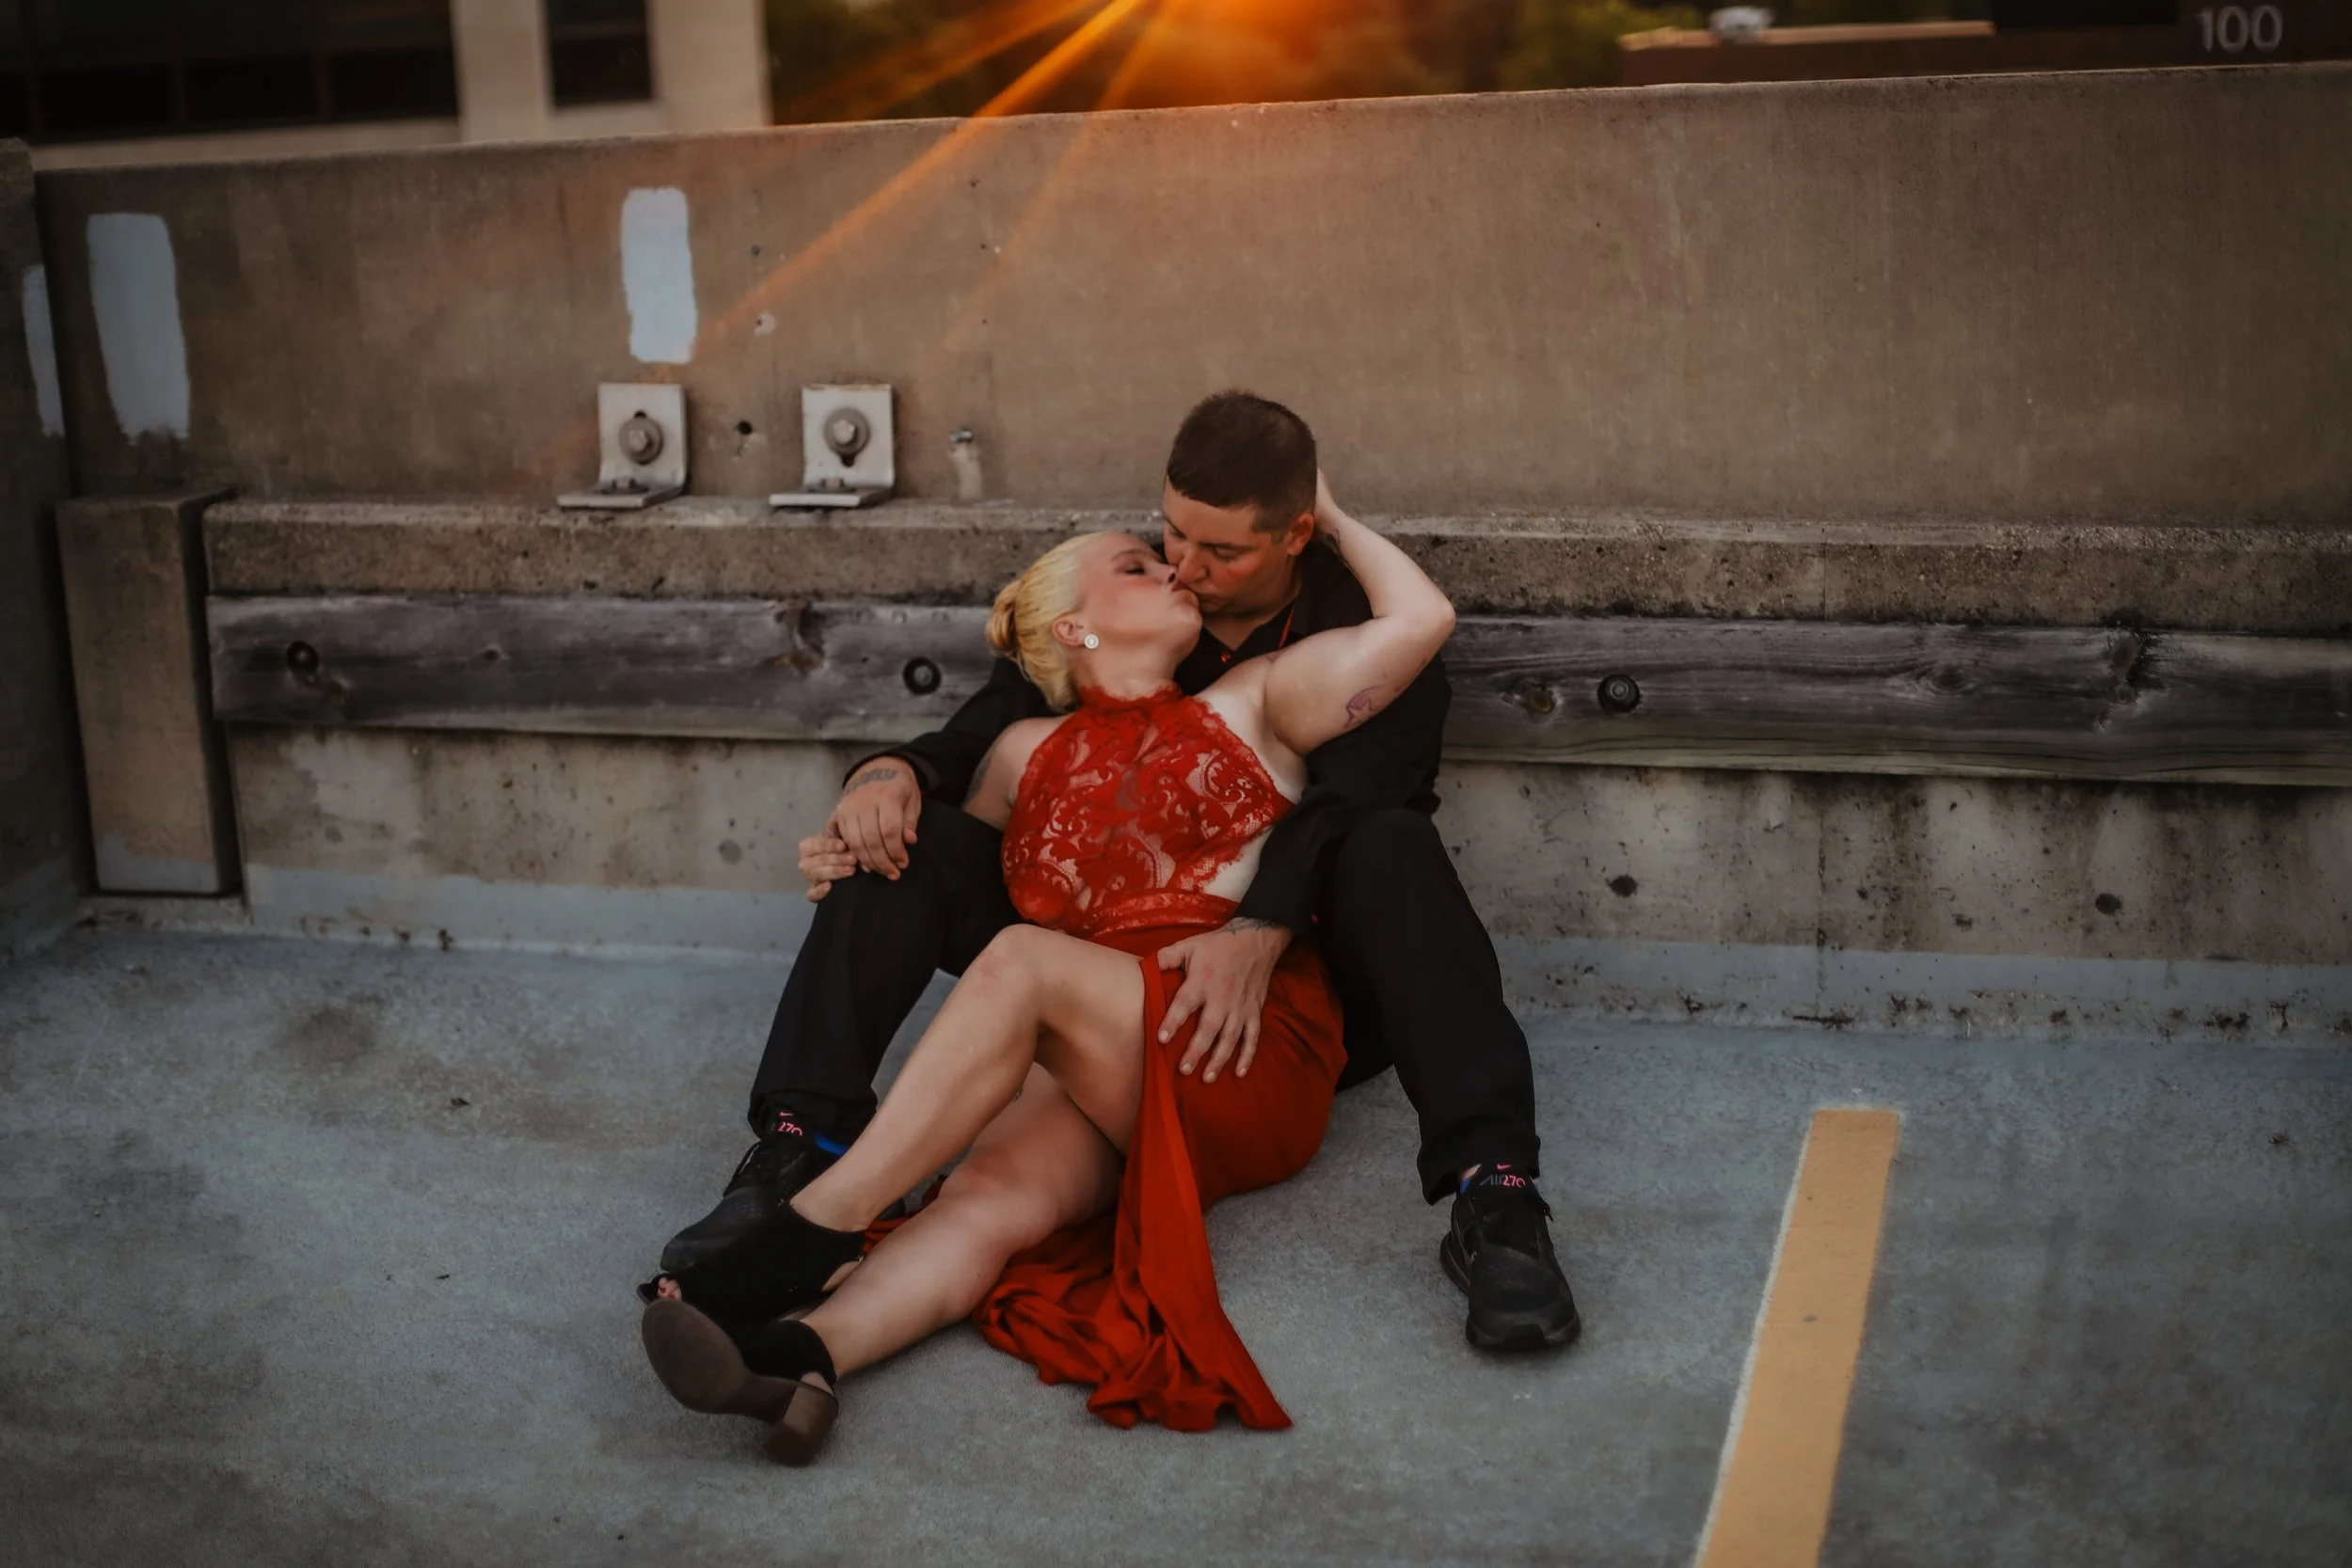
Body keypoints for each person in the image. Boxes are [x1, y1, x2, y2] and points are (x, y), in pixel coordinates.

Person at [647, 397, 1577, 1420]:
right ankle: (808, 1342)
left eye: (1216, 550)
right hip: (1104, 1023)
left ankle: (1496, 1193)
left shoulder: (1284, 670)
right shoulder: (1053, 707)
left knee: (1383, 845)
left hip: (1267, 996)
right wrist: (880, 795)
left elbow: (1357, 793)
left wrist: (1259, 927)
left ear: (1294, 534)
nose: (1180, 564)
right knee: (985, 1189)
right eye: (1164, 537)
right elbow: (975, 749)